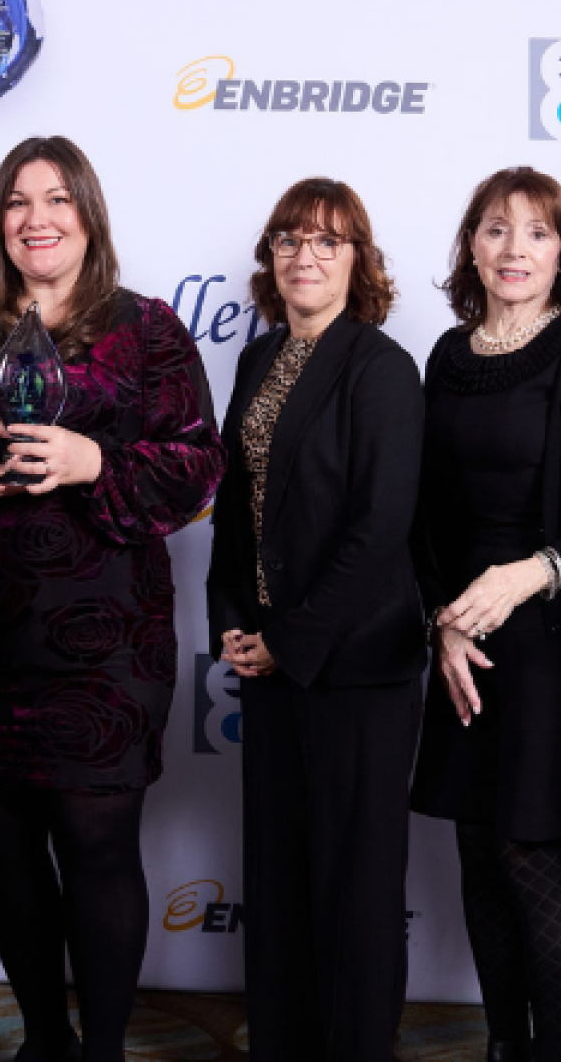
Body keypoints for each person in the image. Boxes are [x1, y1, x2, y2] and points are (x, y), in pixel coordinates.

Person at [0, 136, 223, 1062]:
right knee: (2, 854)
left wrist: (97, 461)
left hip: (107, 641)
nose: (36, 219)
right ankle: (45, 1039)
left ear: (89, 214)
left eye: (57, 200)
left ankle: (105, 1047)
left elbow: (202, 466)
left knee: (96, 846)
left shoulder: (150, 328)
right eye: (17, 202)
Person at [406, 168, 561, 1062]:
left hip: (555, 638)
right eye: (497, 230)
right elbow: (422, 512)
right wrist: (444, 621)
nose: (515, 249)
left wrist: (527, 575)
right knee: (476, 851)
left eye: (538, 233)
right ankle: (504, 1046)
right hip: (463, 634)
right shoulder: (445, 356)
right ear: (472, 244)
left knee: (526, 851)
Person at [204, 177, 424, 1061]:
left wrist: (289, 640)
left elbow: (378, 528)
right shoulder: (258, 360)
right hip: (270, 661)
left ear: (358, 262)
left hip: (356, 668)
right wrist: (232, 622)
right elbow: (235, 507)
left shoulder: (380, 367)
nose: (306, 255)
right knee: (282, 876)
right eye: (291, 239)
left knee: (356, 886)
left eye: (328, 242)